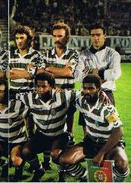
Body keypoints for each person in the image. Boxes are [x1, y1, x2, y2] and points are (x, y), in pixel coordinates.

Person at [59, 74, 129, 182]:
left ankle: (117, 180)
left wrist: (101, 153)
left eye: (91, 88)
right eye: (85, 88)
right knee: (65, 160)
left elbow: (118, 131)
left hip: (110, 143)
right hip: (91, 141)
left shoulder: (107, 107)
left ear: (99, 89)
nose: (87, 91)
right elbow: (68, 94)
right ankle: (87, 176)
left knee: (122, 164)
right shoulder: (80, 100)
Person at [21, 72, 75, 181]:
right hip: (42, 134)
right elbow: (9, 98)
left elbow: (81, 94)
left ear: (51, 86)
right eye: (38, 86)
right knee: (26, 152)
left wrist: (101, 93)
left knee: (55, 155)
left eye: (44, 86)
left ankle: (62, 172)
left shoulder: (62, 95)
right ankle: (39, 169)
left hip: (59, 134)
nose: (40, 89)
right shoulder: (29, 98)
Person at [40, 22, 79, 171]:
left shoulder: (74, 54)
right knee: (47, 129)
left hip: (68, 97)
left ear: (67, 37)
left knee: (68, 132)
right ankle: (46, 162)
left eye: (60, 36)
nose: (57, 39)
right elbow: (41, 74)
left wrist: (49, 69)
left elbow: (68, 72)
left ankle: (67, 163)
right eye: (55, 36)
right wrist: (57, 71)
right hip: (50, 97)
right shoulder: (45, 53)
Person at [75, 22, 122, 132]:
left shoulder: (112, 54)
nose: (95, 38)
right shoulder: (83, 55)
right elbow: (77, 76)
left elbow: (116, 73)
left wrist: (97, 72)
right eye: (93, 35)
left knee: (110, 124)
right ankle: (88, 145)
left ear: (105, 35)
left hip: (106, 93)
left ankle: (110, 147)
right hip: (87, 93)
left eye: (98, 35)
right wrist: (104, 73)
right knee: (86, 123)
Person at [9, 24, 43, 100]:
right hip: (12, 93)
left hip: (29, 94)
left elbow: (30, 75)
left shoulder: (36, 55)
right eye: (17, 38)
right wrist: (25, 72)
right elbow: (6, 74)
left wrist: (13, 71)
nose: (19, 41)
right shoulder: (10, 55)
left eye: (22, 38)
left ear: (28, 39)